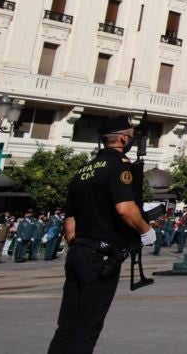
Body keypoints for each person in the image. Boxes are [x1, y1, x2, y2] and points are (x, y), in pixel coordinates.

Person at [48, 116, 156, 354]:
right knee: (88, 325)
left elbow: (70, 221)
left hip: (78, 251)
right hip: (102, 255)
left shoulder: (82, 171)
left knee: (66, 324)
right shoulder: (119, 166)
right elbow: (125, 208)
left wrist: (79, 246)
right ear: (122, 138)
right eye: (129, 135)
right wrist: (146, 231)